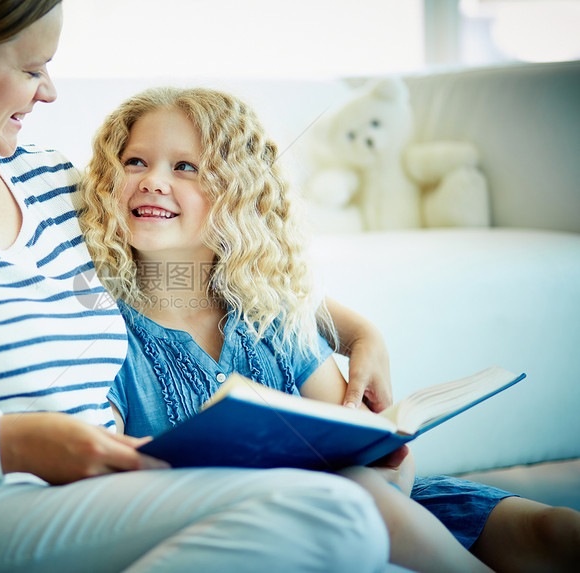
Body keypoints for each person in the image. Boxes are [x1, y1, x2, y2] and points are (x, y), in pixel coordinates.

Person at [0, 2, 398, 572]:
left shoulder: (50, 185)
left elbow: (191, 270)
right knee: (333, 518)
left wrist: (351, 329)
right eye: (33, 69)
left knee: (349, 518)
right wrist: (15, 442)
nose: (50, 92)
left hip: (99, 490)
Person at [77, 86, 580, 573]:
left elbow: (365, 450)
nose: (152, 180)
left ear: (238, 194)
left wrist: (390, 467)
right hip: (252, 529)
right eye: (135, 162)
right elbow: (111, 493)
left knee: (554, 532)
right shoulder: (103, 332)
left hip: (372, 504)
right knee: (359, 499)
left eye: (184, 166)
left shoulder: (269, 317)